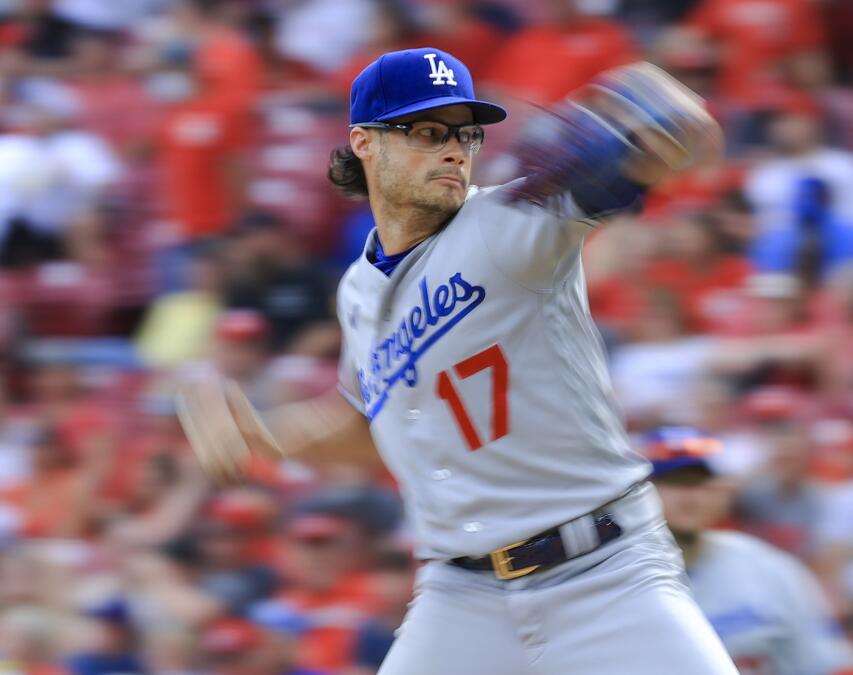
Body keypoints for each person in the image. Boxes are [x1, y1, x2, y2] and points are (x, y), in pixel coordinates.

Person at [176, 47, 734, 674]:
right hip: (461, 598)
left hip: (604, 574)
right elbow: (373, 420)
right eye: (424, 132)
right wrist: (264, 433)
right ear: (364, 143)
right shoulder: (358, 288)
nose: (454, 150)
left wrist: (652, 111)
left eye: (465, 132)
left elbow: (661, 135)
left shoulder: (508, 222)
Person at [644, 426, 853, 675]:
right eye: (674, 483)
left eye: (703, 483)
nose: (692, 497)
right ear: (640, 490)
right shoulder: (614, 574)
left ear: (726, 491)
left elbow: (827, 662)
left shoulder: (770, 567)